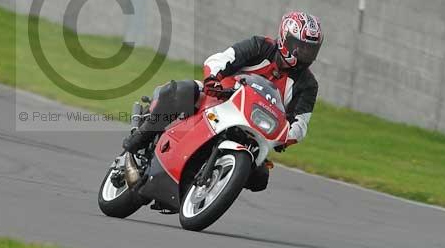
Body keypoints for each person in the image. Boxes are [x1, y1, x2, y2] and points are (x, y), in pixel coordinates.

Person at [123, 11, 323, 193]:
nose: (305, 55)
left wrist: (284, 136)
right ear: (285, 39)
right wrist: (212, 79)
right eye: (300, 48)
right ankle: (137, 142)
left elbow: (300, 123)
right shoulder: (261, 46)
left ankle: (211, 184)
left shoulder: (308, 85)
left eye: (310, 50)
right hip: (220, 97)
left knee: (260, 178)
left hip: (254, 127)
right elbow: (222, 59)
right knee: (179, 91)